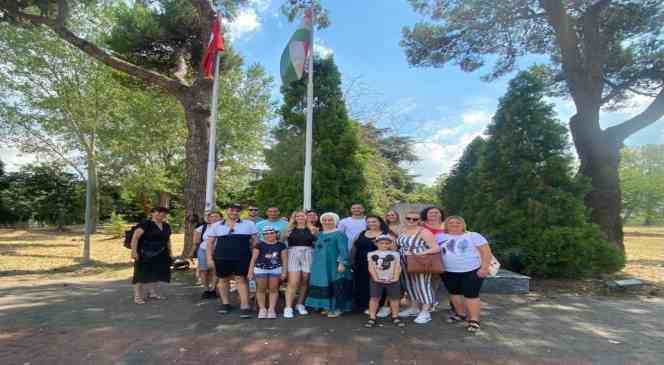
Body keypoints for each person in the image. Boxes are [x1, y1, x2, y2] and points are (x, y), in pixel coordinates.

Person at [438, 216, 493, 332]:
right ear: (446, 225)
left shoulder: (473, 236)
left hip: (471, 270)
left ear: (463, 225)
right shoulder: (439, 237)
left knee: (471, 295)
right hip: (448, 271)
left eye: (458, 222)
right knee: (454, 293)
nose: (454, 224)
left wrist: (484, 268)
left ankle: (474, 320)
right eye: (451, 223)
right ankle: (460, 314)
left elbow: (486, 253)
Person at [206, 203, 258, 318]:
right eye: (232, 210)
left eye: (237, 211)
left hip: (242, 257)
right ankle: (225, 304)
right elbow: (209, 244)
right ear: (227, 211)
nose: (234, 212)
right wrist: (209, 259)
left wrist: (255, 258)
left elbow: (255, 243)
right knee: (223, 280)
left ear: (240, 212)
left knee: (241, 279)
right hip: (221, 258)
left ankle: (245, 305)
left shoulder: (249, 224)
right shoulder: (217, 225)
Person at [305, 212, 353, 317]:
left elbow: (343, 250)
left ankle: (338, 308)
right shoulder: (320, 234)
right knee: (324, 284)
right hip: (320, 265)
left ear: (335, 221)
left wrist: (342, 263)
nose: (327, 222)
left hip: (334, 264)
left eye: (330, 220)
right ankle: (327, 306)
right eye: (324, 220)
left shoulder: (339, 234)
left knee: (337, 285)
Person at [397, 211, 440, 324]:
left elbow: (436, 248)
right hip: (404, 262)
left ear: (420, 221)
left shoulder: (424, 232)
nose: (411, 221)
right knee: (409, 285)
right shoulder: (403, 230)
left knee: (422, 285)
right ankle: (414, 308)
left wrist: (418, 253)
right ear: (405, 219)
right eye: (409, 218)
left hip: (419, 262)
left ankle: (426, 311)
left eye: (415, 219)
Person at [349, 215, 390, 315]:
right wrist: (351, 261)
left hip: (378, 266)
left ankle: (377, 307)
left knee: (376, 286)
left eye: (374, 221)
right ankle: (362, 305)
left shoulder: (386, 235)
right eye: (369, 222)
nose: (371, 223)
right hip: (360, 264)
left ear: (380, 222)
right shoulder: (361, 233)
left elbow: (392, 250)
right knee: (361, 284)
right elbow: (354, 248)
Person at [130, 207, 172, 304]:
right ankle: (137, 296)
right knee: (140, 274)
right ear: (152, 213)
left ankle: (152, 293)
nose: (161, 215)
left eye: (163, 213)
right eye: (158, 212)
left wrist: (170, 252)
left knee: (156, 273)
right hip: (145, 252)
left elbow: (168, 240)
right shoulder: (145, 224)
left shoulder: (166, 226)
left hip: (162, 252)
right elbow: (135, 238)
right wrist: (134, 251)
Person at [282, 210, 319, 318]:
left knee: (305, 280)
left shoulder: (313, 229)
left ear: (306, 217)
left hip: (308, 254)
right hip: (293, 253)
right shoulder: (289, 229)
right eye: (297, 216)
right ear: (294, 218)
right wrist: (284, 236)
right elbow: (282, 242)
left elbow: (318, 243)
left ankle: (300, 304)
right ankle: (288, 307)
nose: (300, 218)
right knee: (293, 282)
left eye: (302, 216)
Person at [248, 226, 288, 319]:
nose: (269, 235)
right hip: (261, 269)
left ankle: (271, 308)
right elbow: (253, 259)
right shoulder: (259, 245)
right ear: (263, 235)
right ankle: (262, 308)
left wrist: (284, 272)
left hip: (275, 269)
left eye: (272, 233)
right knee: (261, 289)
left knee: (273, 289)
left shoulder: (281, 245)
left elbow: (284, 260)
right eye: (267, 234)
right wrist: (250, 271)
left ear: (276, 234)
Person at [365, 235, 405, 328]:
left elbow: (397, 266)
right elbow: (371, 267)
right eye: (381, 243)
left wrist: (395, 278)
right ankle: (372, 317)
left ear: (390, 244)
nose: (384, 245)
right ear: (376, 243)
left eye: (387, 243)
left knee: (394, 299)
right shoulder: (371, 254)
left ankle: (395, 316)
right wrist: (375, 278)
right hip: (376, 280)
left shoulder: (395, 254)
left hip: (392, 280)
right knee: (374, 298)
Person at [420, 206, 446, 312]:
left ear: (441, 214)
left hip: (444, 256)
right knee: (425, 279)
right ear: (426, 214)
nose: (433, 214)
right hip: (425, 255)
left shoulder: (447, 226)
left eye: (436, 212)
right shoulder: (420, 225)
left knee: (435, 279)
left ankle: (431, 301)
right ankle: (425, 302)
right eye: (430, 212)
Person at [193, 211, 222, 299]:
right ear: (208, 218)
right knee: (203, 270)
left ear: (221, 218)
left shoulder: (224, 227)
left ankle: (213, 289)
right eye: (211, 216)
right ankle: (206, 289)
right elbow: (196, 242)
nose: (213, 218)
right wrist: (192, 252)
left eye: (216, 216)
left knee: (215, 270)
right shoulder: (203, 227)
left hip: (218, 251)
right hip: (203, 250)